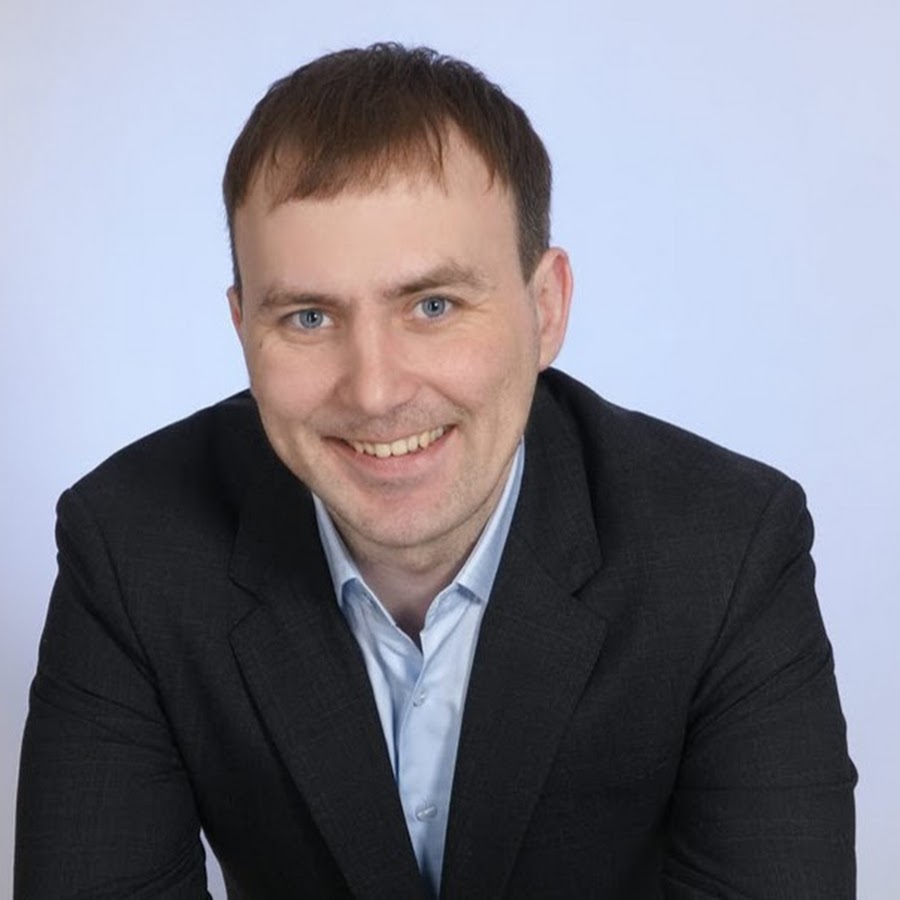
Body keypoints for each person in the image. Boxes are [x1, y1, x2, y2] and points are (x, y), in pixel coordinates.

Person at [15, 43, 856, 899]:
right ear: (243, 330)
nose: (375, 392)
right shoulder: (130, 547)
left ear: (546, 308)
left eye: (433, 305)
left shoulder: (725, 552)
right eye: (308, 317)